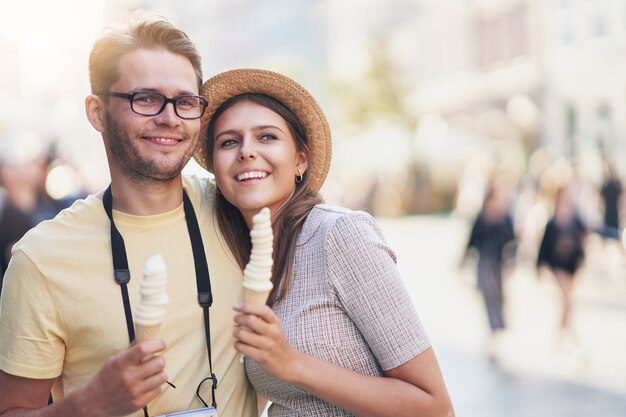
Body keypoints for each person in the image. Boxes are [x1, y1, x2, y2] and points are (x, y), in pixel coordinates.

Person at [0, 17, 257, 417]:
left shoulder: (238, 209)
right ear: (97, 112)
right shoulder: (41, 259)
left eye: (185, 101)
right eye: (146, 98)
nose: (170, 118)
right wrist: (89, 404)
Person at [194, 68, 455, 417]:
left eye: (267, 137)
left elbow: (434, 407)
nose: (246, 151)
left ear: (300, 160)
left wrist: (292, 364)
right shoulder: (241, 256)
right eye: (229, 141)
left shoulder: (340, 236)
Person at [464, 181, 515, 358]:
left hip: (499, 263)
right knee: (489, 296)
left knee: (498, 297)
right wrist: (464, 261)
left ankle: (497, 330)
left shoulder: (505, 216)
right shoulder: (483, 216)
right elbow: (472, 240)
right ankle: (493, 333)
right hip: (485, 262)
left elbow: (512, 240)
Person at [537, 184, 587, 342]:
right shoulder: (552, 221)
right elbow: (545, 245)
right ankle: (574, 336)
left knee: (567, 300)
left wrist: (581, 259)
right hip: (557, 264)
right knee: (566, 299)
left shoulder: (575, 218)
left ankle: (558, 336)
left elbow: (582, 238)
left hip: (571, 264)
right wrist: (539, 265)